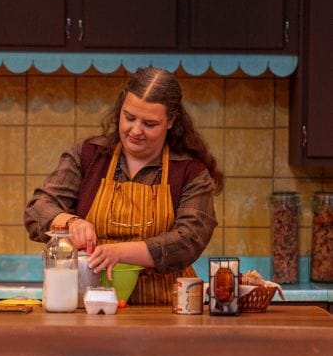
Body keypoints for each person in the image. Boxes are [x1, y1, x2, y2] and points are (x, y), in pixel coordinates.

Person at [24, 66, 223, 305]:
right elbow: (37, 208)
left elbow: (189, 239)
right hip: (91, 307)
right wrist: (71, 222)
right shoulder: (88, 156)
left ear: (170, 121)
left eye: (149, 124)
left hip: (165, 309)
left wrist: (120, 253)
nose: (135, 130)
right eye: (129, 117)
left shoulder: (191, 172)